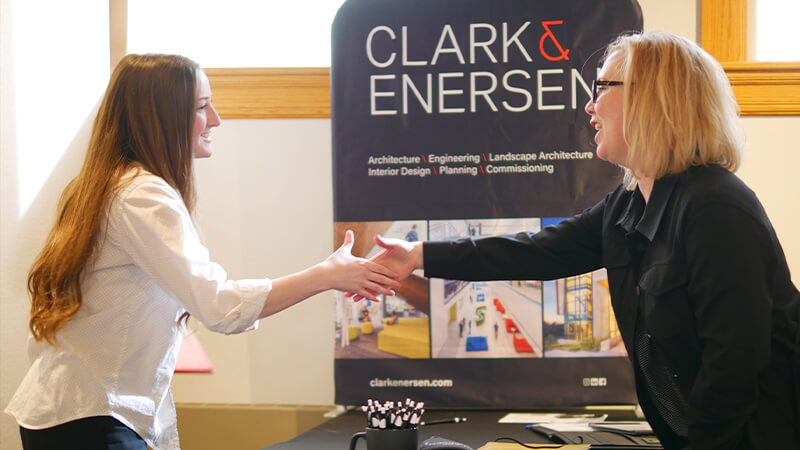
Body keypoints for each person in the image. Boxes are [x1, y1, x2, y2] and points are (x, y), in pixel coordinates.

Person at [360, 32, 800, 450]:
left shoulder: (718, 209)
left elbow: (734, 367)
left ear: (653, 97)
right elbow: (536, 251)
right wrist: (418, 254)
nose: (589, 105)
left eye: (601, 87)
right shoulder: (628, 205)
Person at [5, 54, 400, 450]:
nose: (216, 119)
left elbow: (118, 301)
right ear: (160, 117)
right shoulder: (142, 194)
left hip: (67, 411)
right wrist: (326, 275)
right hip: (91, 418)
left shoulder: (107, 187)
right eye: (201, 107)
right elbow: (221, 306)